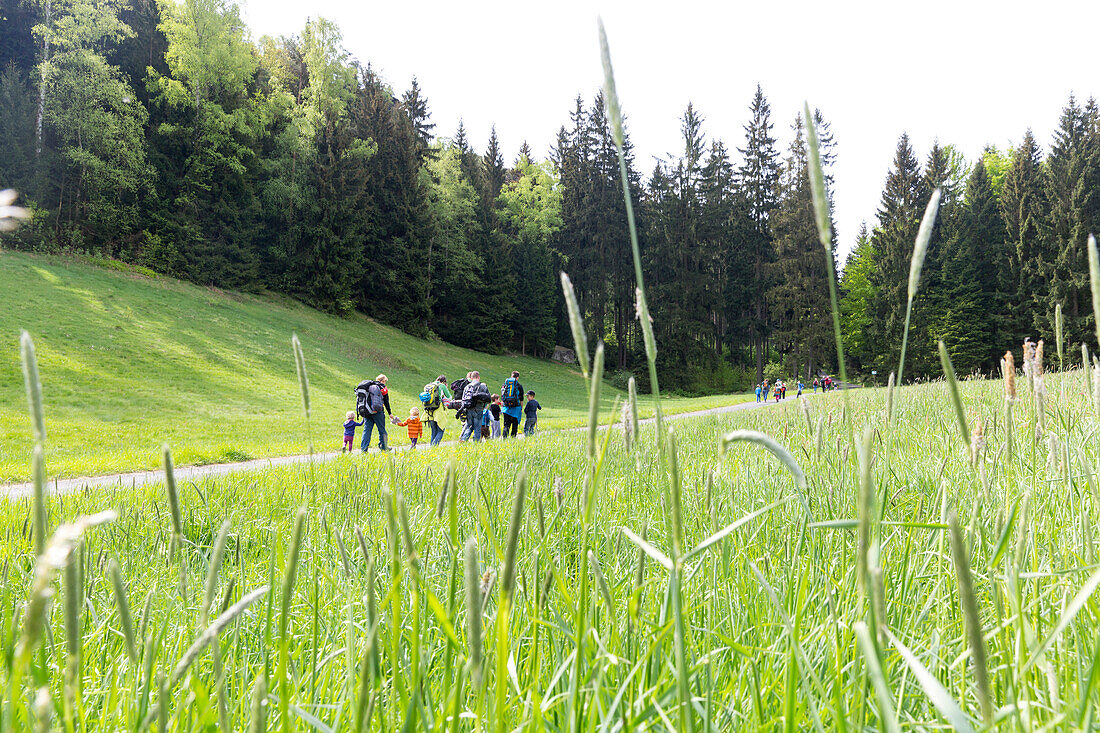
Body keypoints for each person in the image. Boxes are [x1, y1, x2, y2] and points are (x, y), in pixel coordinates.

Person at [456, 371, 491, 442]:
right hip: (478, 410)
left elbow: (463, 399)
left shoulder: (467, 387)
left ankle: (463, 440)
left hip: (468, 410)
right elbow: (488, 399)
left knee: (469, 426)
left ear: (471, 378)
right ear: (479, 377)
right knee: (477, 428)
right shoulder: (482, 386)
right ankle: (476, 444)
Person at [423, 375, 453, 447]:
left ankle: (431, 447)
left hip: (429, 411)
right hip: (438, 410)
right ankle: (434, 447)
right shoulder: (442, 386)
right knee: (441, 430)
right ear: (444, 381)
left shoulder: (428, 386)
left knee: (434, 431)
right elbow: (450, 398)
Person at [360, 379, 389, 452]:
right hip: (378, 412)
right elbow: (386, 401)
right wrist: (390, 412)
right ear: (383, 381)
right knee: (382, 430)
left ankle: (364, 449)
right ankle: (384, 448)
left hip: (367, 412)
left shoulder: (367, 387)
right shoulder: (381, 387)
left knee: (367, 431)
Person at [500, 371, 524, 439]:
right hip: (516, 408)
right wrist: (521, 408)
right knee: (514, 425)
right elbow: (521, 398)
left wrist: (502, 407)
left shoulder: (505, 385)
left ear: (511, 376)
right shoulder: (519, 385)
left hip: (506, 408)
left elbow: (502, 396)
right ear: (517, 377)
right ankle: (513, 439)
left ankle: (504, 439)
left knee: (506, 425)